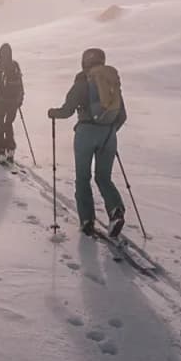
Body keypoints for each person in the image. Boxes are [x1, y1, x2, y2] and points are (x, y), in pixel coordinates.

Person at [47, 47, 127, 237]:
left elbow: (67, 111)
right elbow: (122, 115)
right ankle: (116, 211)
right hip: (109, 135)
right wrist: (109, 131)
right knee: (103, 177)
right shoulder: (111, 83)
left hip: (85, 133)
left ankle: (87, 220)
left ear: (85, 62)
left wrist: (52, 113)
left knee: (83, 177)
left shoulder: (82, 82)